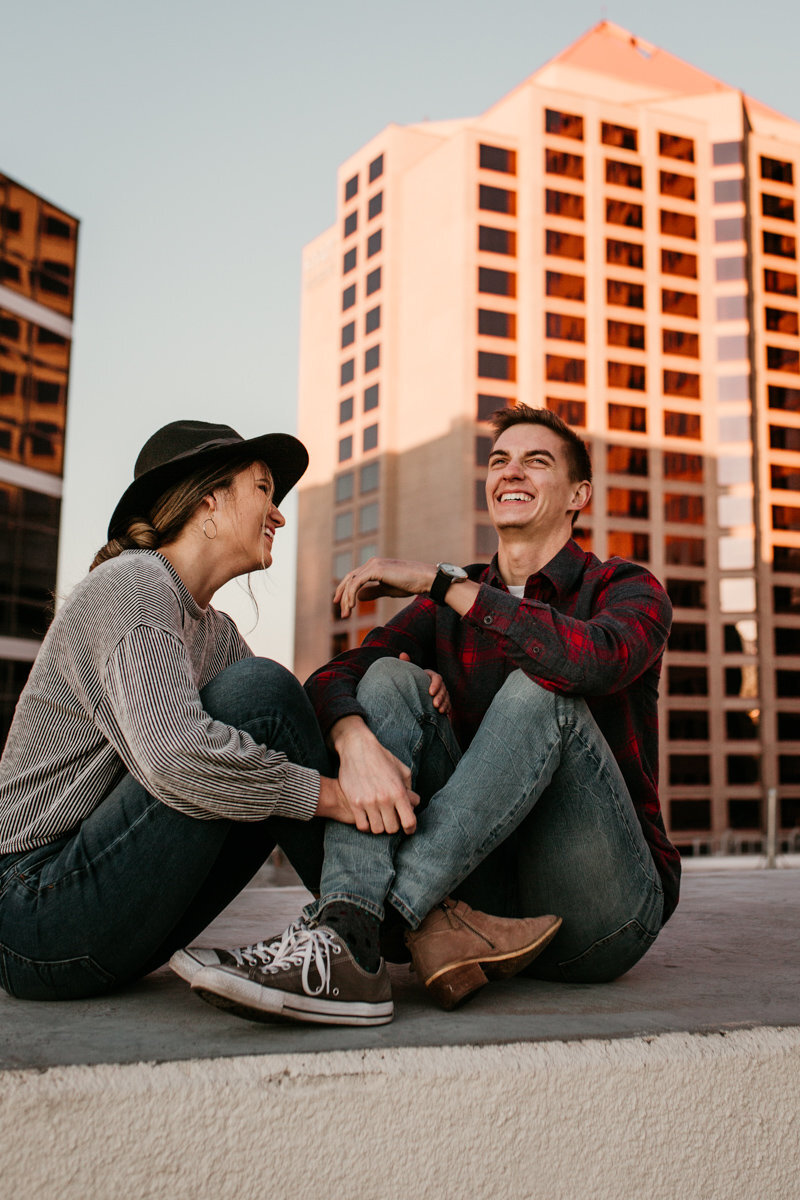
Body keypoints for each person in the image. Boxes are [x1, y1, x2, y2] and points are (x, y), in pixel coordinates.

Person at [185, 405, 678, 1025]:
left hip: (600, 909)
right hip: (473, 902)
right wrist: (354, 737)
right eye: (499, 461)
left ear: (579, 494)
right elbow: (333, 679)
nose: (511, 472)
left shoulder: (625, 587)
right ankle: (358, 942)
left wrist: (440, 583)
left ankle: (357, 921)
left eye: (536, 461)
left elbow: (592, 663)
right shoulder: (446, 606)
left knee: (541, 690)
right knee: (389, 677)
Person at [0, 419, 389, 1003]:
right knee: (261, 693)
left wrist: (357, 732)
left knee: (281, 705)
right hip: (33, 909)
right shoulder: (134, 583)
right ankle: (388, 928)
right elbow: (175, 756)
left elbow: (297, 728)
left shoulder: (213, 631)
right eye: (263, 489)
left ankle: (376, 924)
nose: (279, 514)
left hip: (105, 908)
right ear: (210, 501)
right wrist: (336, 798)